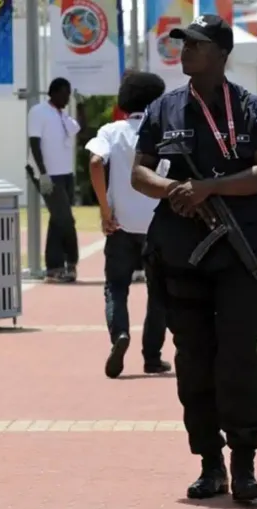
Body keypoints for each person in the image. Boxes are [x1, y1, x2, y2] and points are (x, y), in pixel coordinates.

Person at [131, 14, 257, 503]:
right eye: (183, 43)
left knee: (237, 356)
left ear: (220, 53)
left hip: (240, 253)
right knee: (193, 360)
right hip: (180, 254)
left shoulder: (252, 108)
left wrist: (210, 188)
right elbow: (140, 173)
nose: (184, 50)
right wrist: (175, 189)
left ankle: (245, 461)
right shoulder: (163, 110)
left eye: (194, 44)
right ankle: (209, 462)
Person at [85, 71, 171, 379]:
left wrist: (106, 211)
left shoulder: (111, 130)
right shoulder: (161, 132)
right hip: (157, 225)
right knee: (158, 292)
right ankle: (152, 357)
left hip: (120, 225)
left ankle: (119, 335)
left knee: (116, 287)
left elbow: (95, 162)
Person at [27, 77, 84, 283]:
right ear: (54, 92)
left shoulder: (63, 115)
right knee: (66, 220)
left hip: (65, 174)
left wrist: (82, 105)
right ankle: (71, 263)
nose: (68, 98)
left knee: (58, 219)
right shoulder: (39, 111)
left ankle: (53, 267)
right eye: (65, 94)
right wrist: (42, 173)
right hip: (46, 174)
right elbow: (34, 142)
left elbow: (80, 128)